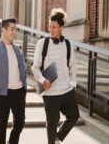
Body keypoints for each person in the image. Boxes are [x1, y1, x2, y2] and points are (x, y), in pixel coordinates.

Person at [32, 8, 79, 144]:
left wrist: (73, 85)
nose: (51, 30)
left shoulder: (68, 45)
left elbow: (73, 67)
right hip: (50, 92)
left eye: (54, 27)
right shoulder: (42, 43)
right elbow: (35, 67)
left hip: (67, 90)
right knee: (52, 124)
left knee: (74, 116)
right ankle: (53, 140)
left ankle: (58, 137)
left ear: (61, 27)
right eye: (49, 26)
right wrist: (42, 80)